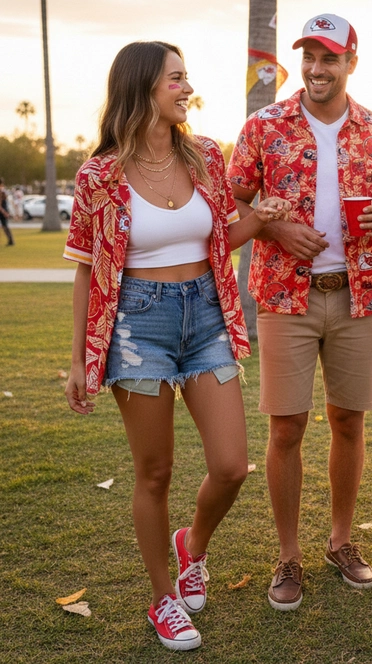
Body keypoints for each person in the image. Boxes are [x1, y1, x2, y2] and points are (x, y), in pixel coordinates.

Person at [63, 41, 289, 651]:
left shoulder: (207, 158)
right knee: (155, 470)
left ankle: (193, 546)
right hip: (138, 328)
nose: (186, 88)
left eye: (187, 78)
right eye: (176, 79)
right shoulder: (99, 175)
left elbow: (222, 242)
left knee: (231, 464)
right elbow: (86, 269)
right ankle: (163, 598)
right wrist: (82, 358)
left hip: (207, 317)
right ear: (143, 88)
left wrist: (260, 217)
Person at [227, 13, 372, 611]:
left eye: (328, 58)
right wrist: (275, 228)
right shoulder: (263, 126)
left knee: (349, 422)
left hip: (357, 297)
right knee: (287, 427)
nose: (315, 68)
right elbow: (234, 206)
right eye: (308, 56)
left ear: (351, 62)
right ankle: (288, 557)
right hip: (284, 297)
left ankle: (341, 541)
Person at [0, 178, 14, 246]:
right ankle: (10, 240)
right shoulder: (3, 191)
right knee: (5, 226)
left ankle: (10, 240)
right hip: (4, 210)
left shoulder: (1, 192)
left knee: (5, 226)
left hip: (2, 211)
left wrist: (4, 212)